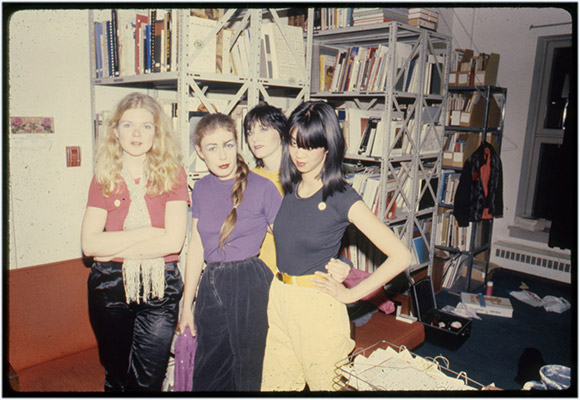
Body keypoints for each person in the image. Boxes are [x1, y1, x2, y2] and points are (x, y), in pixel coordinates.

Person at [261, 101, 412, 391]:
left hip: (316, 306)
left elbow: (401, 256)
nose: (299, 153)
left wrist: (350, 294)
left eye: (309, 146)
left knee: (326, 388)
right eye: (293, 143)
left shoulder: (342, 196)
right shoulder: (291, 188)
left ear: (328, 147)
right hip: (280, 297)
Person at [81, 92, 189, 392]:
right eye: (128, 125)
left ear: (158, 131)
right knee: (116, 376)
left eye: (146, 126)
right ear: (115, 131)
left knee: (147, 382)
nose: (137, 134)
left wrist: (111, 246)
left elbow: (173, 242)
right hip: (109, 287)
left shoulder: (174, 175)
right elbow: (89, 246)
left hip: (160, 288)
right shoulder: (103, 176)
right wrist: (149, 233)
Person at [178, 113, 282, 391]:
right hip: (211, 284)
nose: (222, 154)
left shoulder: (263, 188)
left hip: (249, 282)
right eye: (212, 148)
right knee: (209, 368)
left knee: (249, 371)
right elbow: (197, 246)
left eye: (228, 144)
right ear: (200, 152)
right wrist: (187, 305)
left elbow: (288, 241)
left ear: (238, 145)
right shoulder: (200, 189)